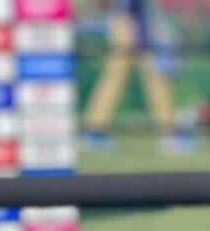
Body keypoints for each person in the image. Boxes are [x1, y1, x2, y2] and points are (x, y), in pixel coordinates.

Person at [81, 0, 192, 152]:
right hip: (129, 22)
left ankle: (93, 130)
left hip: (133, 20)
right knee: (143, 77)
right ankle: (93, 130)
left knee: (143, 78)